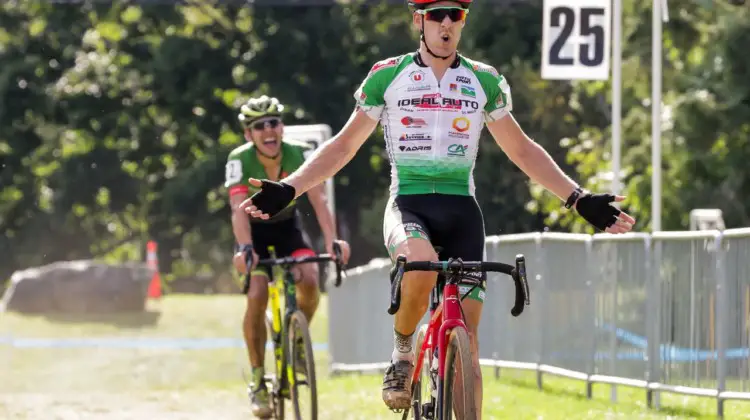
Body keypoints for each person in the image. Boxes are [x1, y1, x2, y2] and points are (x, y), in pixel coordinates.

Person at [238, 0, 636, 417]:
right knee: (422, 262)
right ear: (419, 21)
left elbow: (520, 148)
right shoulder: (387, 75)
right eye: (436, 15)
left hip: (462, 211)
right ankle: (404, 348)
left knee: (470, 343)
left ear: (462, 23)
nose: (446, 23)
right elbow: (344, 145)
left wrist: (577, 198)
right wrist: (290, 187)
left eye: (455, 16)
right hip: (409, 204)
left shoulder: (484, 80)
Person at [225, 94, 351, 418]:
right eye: (259, 126)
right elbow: (238, 211)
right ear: (248, 134)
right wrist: (244, 247)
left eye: (274, 123)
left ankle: (297, 338)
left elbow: (319, 201)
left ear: (282, 127)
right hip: (254, 233)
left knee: (310, 277)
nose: (268, 130)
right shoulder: (239, 160)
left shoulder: (298, 153)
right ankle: (257, 379)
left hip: (287, 229)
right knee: (256, 294)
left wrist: (331, 240)